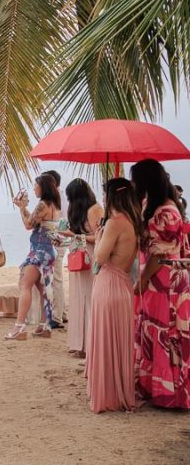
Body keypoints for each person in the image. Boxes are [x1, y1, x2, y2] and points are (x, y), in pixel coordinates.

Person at [130, 159, 190, 410]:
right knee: (156, 332)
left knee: (167, 334)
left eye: (135, 180)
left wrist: (140, 281)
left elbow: (160, 255)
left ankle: (172, 394)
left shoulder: (166, 212)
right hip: (160, 280)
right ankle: (158, 389)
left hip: (166, 281)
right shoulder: (155, 207)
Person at [85, 178, 141, 413]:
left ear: (112, 197)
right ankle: (118, 391)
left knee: (106, 338)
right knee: (117, 340)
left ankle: (107, 393)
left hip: (108, 284)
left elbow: (99, 257)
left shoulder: (115, 223)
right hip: (124, 285)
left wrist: (98, 235)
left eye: (105, 195)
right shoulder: (133, 222)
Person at [6, 174, 61, 340]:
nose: (34, 189)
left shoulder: (42, 204)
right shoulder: (52, 205)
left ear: (42, 187)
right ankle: (45, 325)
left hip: (39, 250)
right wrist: (23, 208)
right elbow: (35, 221)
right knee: (42, 288)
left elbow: (28, 225)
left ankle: (19, 327)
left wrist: (21, 207)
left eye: (36, 186)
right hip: (48, 250)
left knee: (25, 284)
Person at [60, 178, 104, 357]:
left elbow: (100, 236)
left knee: (89, 299)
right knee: (78, 298)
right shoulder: (79, 210)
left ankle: (90, 344)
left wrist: (76, 236)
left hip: (91, 256)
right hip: (78, 257)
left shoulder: (95, 210)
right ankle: (79, 343)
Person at [42, 170, 68, 328]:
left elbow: (63, 219)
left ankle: (57, 316)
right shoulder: (62, 196)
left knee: (55, 279)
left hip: (56, 240)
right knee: (57, 278)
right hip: (61, 239)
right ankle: (61, 312)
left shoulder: (56, 199)